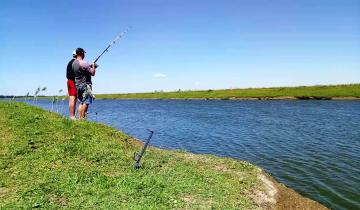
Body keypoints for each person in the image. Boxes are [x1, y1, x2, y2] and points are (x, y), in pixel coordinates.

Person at [72, 48, 97, 119]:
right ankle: (82, 119)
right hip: (86, 85)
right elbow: (92, 73)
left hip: (77, 85)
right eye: (84, 53)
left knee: (81, 102)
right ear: (82, 53)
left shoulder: (74, 64)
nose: (85, 55)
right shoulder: (84, 63)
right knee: (86, 102)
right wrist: (93, 67)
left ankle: (80, 118)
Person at [66, 50, 77, 120]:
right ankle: (72, 116)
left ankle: (72, 116)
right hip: (72, 81)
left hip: (70, 81)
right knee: (72, 98)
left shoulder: (70, 62)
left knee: (72, 98)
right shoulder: (75, 62)